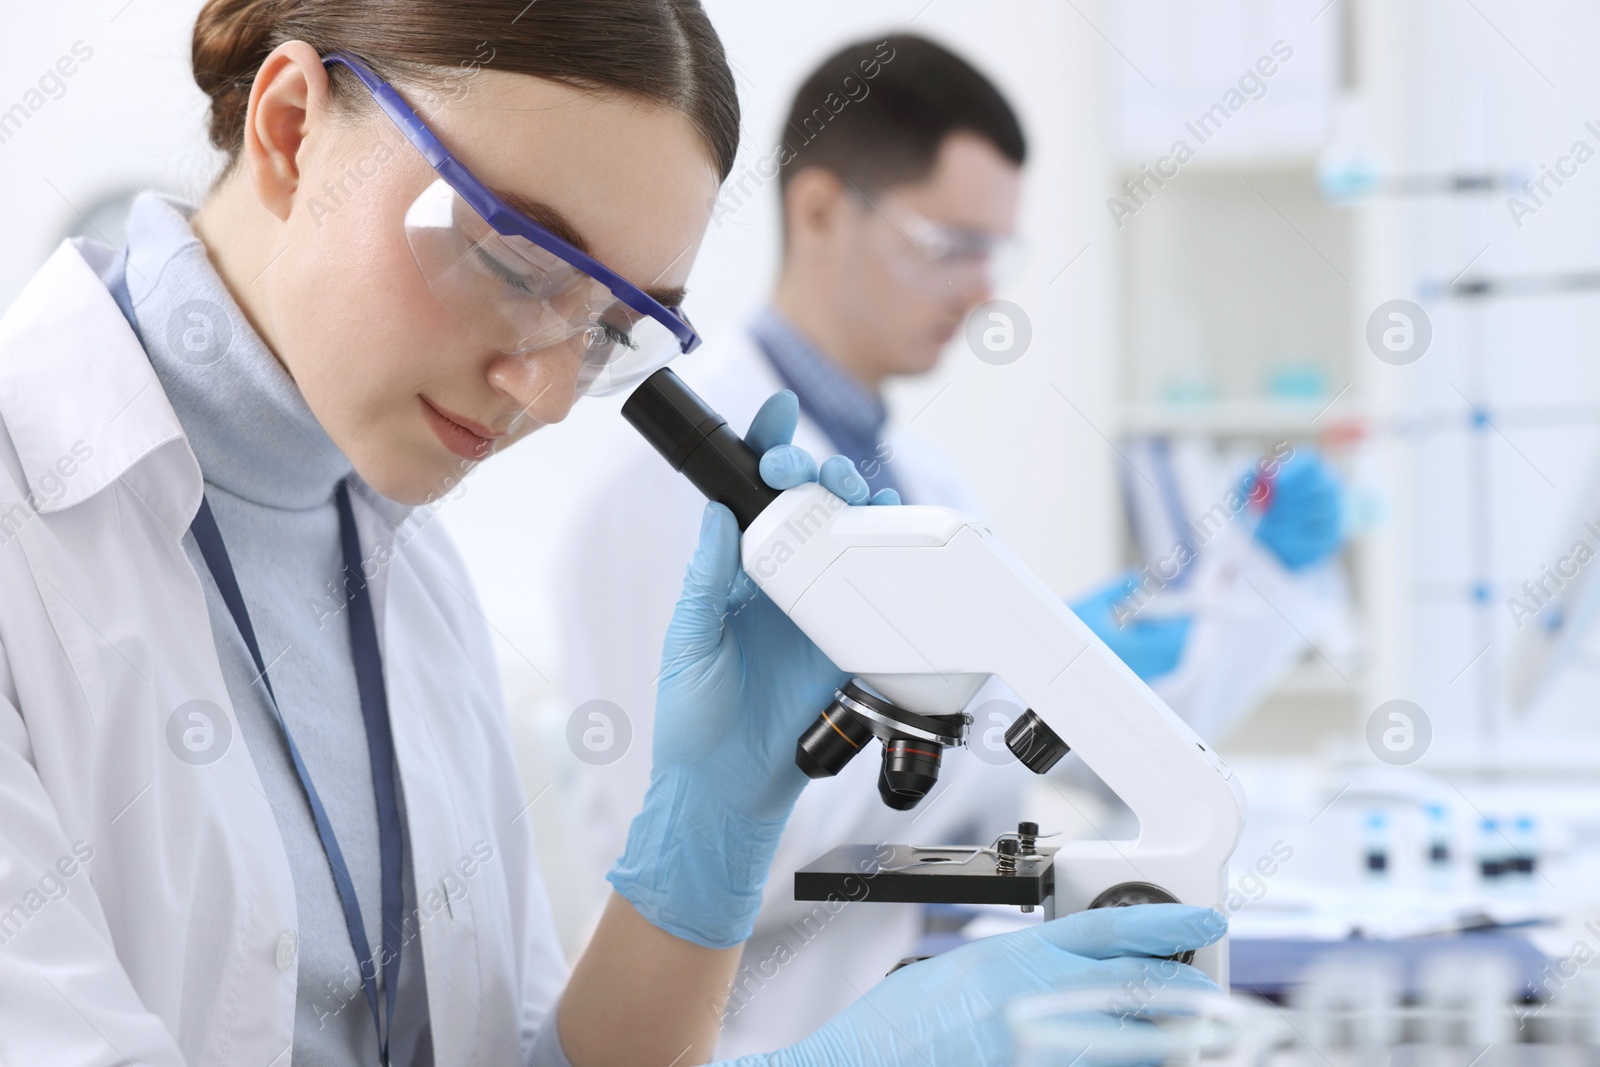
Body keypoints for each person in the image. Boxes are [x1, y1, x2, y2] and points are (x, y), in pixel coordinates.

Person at [0, 3, 1226, 1067]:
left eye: (607, 328)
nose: (538, 391)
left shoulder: (402, 566)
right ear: (289, 128)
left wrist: (704, 835)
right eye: (514, 259)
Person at [554, 34, 1345, 1056]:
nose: (981, 291)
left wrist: (1234, 582)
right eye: (949, 245)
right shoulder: (659, 502)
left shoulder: (928, 487)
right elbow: (669, 855)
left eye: (994, 252)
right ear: (821, 211)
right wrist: (995, 714)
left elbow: (1092, 761)